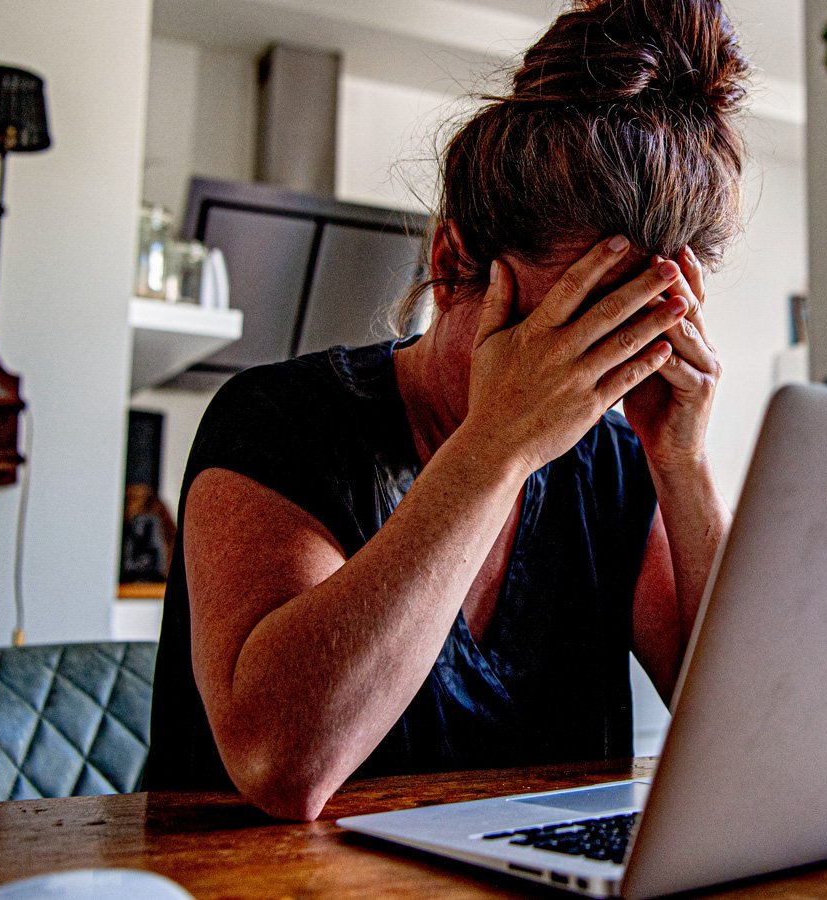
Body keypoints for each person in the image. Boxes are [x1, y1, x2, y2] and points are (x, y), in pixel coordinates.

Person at [144, 0, 751, 821]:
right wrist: (497, 448)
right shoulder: (279, 422)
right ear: (451, 263)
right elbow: (282, 762)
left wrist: (685, 466)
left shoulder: (616, 462)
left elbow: (747, 736)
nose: (588, 385)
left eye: (628, 338)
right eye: (566, 335)